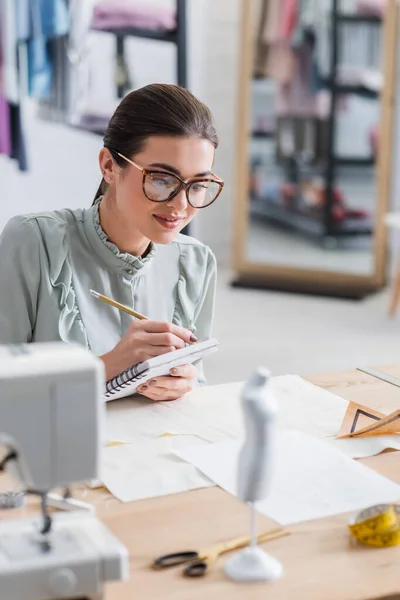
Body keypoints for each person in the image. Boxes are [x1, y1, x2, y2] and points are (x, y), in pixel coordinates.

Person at [0, 84, 223, 401]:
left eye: (198, 184)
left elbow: (196, 383)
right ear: (108, 166)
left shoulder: (196, 263)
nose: (180, 205)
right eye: (161, 179)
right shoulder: (34, 242)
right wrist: (110, 365)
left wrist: (184, 383)